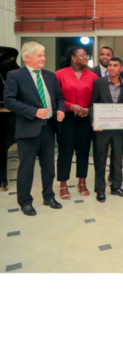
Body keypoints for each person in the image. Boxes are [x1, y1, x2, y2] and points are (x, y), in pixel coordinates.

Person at [4, 41, 66, 216]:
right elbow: (9, 101)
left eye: (44, 55)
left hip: (48, 129)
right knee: (26, 168)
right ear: (27, 57)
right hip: (28, 130)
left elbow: (59, 97)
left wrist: (60, 110)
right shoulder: (15, 76)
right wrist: (34, 112)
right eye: (40, 55)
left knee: (48, 167)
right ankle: (25, 201)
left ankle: (49, 196)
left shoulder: (50, 76)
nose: (44, 58)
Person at [55, 46, 98, 200]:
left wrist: (88, 109)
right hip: (66, 119)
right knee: (65, 152)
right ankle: (63, 184)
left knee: (84, 151)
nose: (86, 57)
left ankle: (82, 182)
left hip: (85, 120)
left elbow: (96, 98)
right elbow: (55, 97)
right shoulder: (60, 74)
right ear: (73, 58)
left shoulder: (93, 76)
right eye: (83, 55)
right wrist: (70, 106)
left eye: (86, 55)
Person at [91, 57, 123, 202]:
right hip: (102, 128)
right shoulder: (99, 83)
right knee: (100, 158)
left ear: (121, 68)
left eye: (115, 65)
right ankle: (100, 190)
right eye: (109, 65)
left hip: (119, 129)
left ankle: (116, 187)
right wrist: (93, 120)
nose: (111, 68)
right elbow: (93, 104)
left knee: (117, 159)